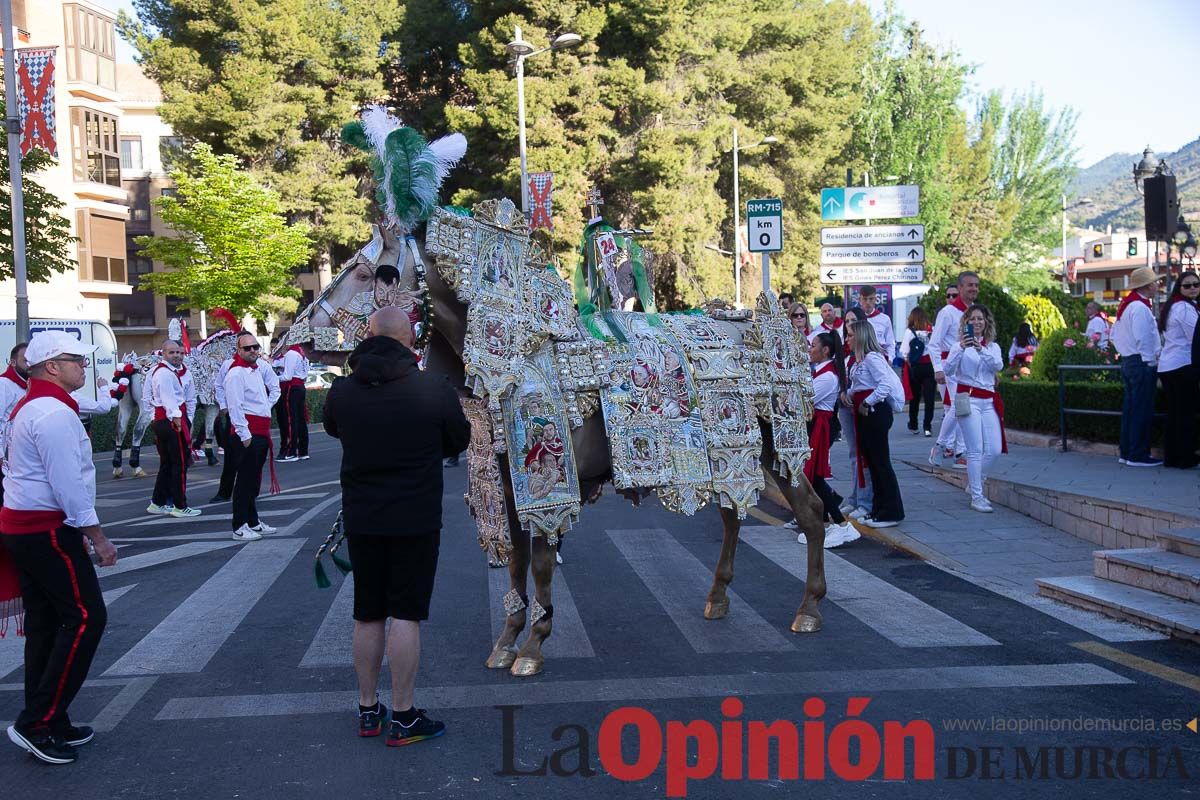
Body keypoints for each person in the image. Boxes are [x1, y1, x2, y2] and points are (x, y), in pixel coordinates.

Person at [322, 306, 470, 747]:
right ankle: (404, 716)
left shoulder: (342, 392)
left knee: (367, 611)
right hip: (415, 517)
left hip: (364, 516)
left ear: (367, 336)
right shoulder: (432, 389)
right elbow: (457, 440)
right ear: (411, 340)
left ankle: (368, 709)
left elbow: (335, 429)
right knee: (406, 613)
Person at [0, 331, 117, 765]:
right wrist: (97, 537)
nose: (82, 368)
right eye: (76, 361)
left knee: (48, 624)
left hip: (28, 527)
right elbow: (66, 484)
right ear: (52, 366)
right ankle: (37, 720)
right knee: (86, 618)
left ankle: (49, 717)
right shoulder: (50, 413)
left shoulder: (37, 405)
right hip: (46, 529)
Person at [944, 304, 1007, 513]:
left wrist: (980, 349)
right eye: (973, 319)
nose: (977, 323)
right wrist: (962, 348)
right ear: (966, 323)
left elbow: (997, 366)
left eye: (980, 319)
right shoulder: (958, 346)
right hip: (968, 399)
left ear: (986, 322)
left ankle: (975, 482)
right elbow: (949, 370)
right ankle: (977, 496)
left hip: (988, 401)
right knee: (975, 449)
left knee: (995, 450)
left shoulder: (992, 347)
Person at [799, 332, 858, 548]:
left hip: (819, 428)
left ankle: (841, 524)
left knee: (815, 478)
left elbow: (806, 400)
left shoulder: (827, 377)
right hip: (815, 425)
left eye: (813, 345)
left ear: (825, 350)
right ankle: (825, 524)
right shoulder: (822, 372)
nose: (809, 349)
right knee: (813, 478)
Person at [224, 331, 283, 541]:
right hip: (247, 434)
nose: (252, 351)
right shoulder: (235, 374)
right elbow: (235, 406)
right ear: (238, 350)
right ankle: (239, 526)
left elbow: (273, 390)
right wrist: (244, 433)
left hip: (260, 431)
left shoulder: (258, 369)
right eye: (247, 348)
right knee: (244, 482)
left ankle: (253, 522)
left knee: (252, 481)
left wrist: (266, 407)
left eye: (255, 347)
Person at [846, 320, 903, 528]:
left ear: (860, 336)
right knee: (871, 461)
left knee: (880, 462)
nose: (847, 339)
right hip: (864, 412)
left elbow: (885, 384)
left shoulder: (872, 358)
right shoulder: (860, 361)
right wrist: (850, 395)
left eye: (851, 335)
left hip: (874, 412)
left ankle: (890, 511)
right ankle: (879, 509)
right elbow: (860, 385)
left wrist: (867, 402)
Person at [1112, 267, 1164, 467]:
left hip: (1129, 360)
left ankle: (1127, 452)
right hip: (1140, 361)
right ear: (1148, 285)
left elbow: (1115, 335)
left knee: (1131, 409)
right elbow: (1143, 338)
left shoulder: (1129, 305)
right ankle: (1138, 455)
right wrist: (1150, 361)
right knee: (1142, 409)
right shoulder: (1140, 307)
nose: (1157, 285)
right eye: (1155, 282)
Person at [929, 272, 979, 469]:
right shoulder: (948, 313)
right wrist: (938, 369)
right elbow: (934, 344)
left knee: (960, 409)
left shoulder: (975, 311)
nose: (974, 289)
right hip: (951, 366)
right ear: (960, 288)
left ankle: (951, 449)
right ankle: (954, 450)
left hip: (971, 366)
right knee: (960, 407)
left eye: (976, 285)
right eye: (969, 285)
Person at [146, 340, 201, 517]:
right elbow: (161, 399)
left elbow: (191, 398)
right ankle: (179, 504)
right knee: (180, 463)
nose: (177, 356)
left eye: (180, 352)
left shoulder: (185, 373)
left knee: (168, 464)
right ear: (163, 354)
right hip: (170, 420)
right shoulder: (163, 373)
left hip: (177, 419)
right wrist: (177, 420)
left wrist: (189, 420)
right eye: (172, 352)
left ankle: (158, 502)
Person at [1157, 270, 1199, 469]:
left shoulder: (1173, 306)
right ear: (1179, 288)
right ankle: (1185, 458)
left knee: (1174, 414)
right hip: (1182, 365)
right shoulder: (1184, 308)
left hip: (1169, 365)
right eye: (1187, 285)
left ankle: (1172, 457)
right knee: (1185, 414)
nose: (1192, 288)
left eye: (1196, 285)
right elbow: (1196, 338)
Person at [837, 308, 872, 519]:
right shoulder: (844, 349)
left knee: (864, 456)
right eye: (847, 321)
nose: (849, 324)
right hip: (845, 405)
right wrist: (843, 393)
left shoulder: (868, 352)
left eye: (854, 321)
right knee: (853, 454)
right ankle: (856, 497)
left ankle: (866, 500)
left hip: (863, 407)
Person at [900, 308, 936, 437]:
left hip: (915, 367)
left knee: (914, 398)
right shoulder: (932, 330)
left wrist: (909, 362)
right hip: (930, 367)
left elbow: (904, 352)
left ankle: (914, 424)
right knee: (929, 398)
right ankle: (927, 426)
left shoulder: (910, 332)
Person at [278, 337, 310, 462]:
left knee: (292, 419)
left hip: (292, 387)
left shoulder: (291, 353)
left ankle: (290, 452)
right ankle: (303, 451)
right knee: (301, 419)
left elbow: (287, 376)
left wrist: (275, 378)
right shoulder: (303, 353)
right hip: (300, 386)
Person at [857, 286, 895, 361]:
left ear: (875, 299)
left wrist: (890, 359)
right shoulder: (855, 318)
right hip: (859, 360)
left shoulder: (884, 319)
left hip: (879, 359)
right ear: (860, 300)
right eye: (865, 299)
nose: (868, 302)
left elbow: (890, 343)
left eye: (871, 299)